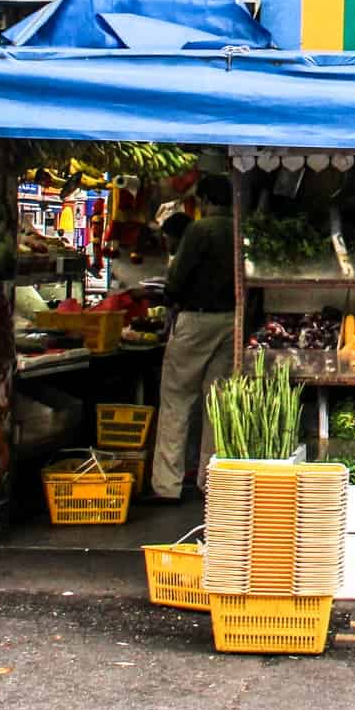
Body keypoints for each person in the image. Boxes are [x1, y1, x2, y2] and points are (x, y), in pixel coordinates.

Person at [145, 176, 236, 504]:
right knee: (217, 402)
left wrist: (168, 298)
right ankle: (211, 481)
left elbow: (177, 277)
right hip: (231, 320)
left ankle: (167, 486)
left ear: (206, 200)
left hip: (196, 319)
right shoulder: (239, 230)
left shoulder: (200, 230)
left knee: (176, 399)